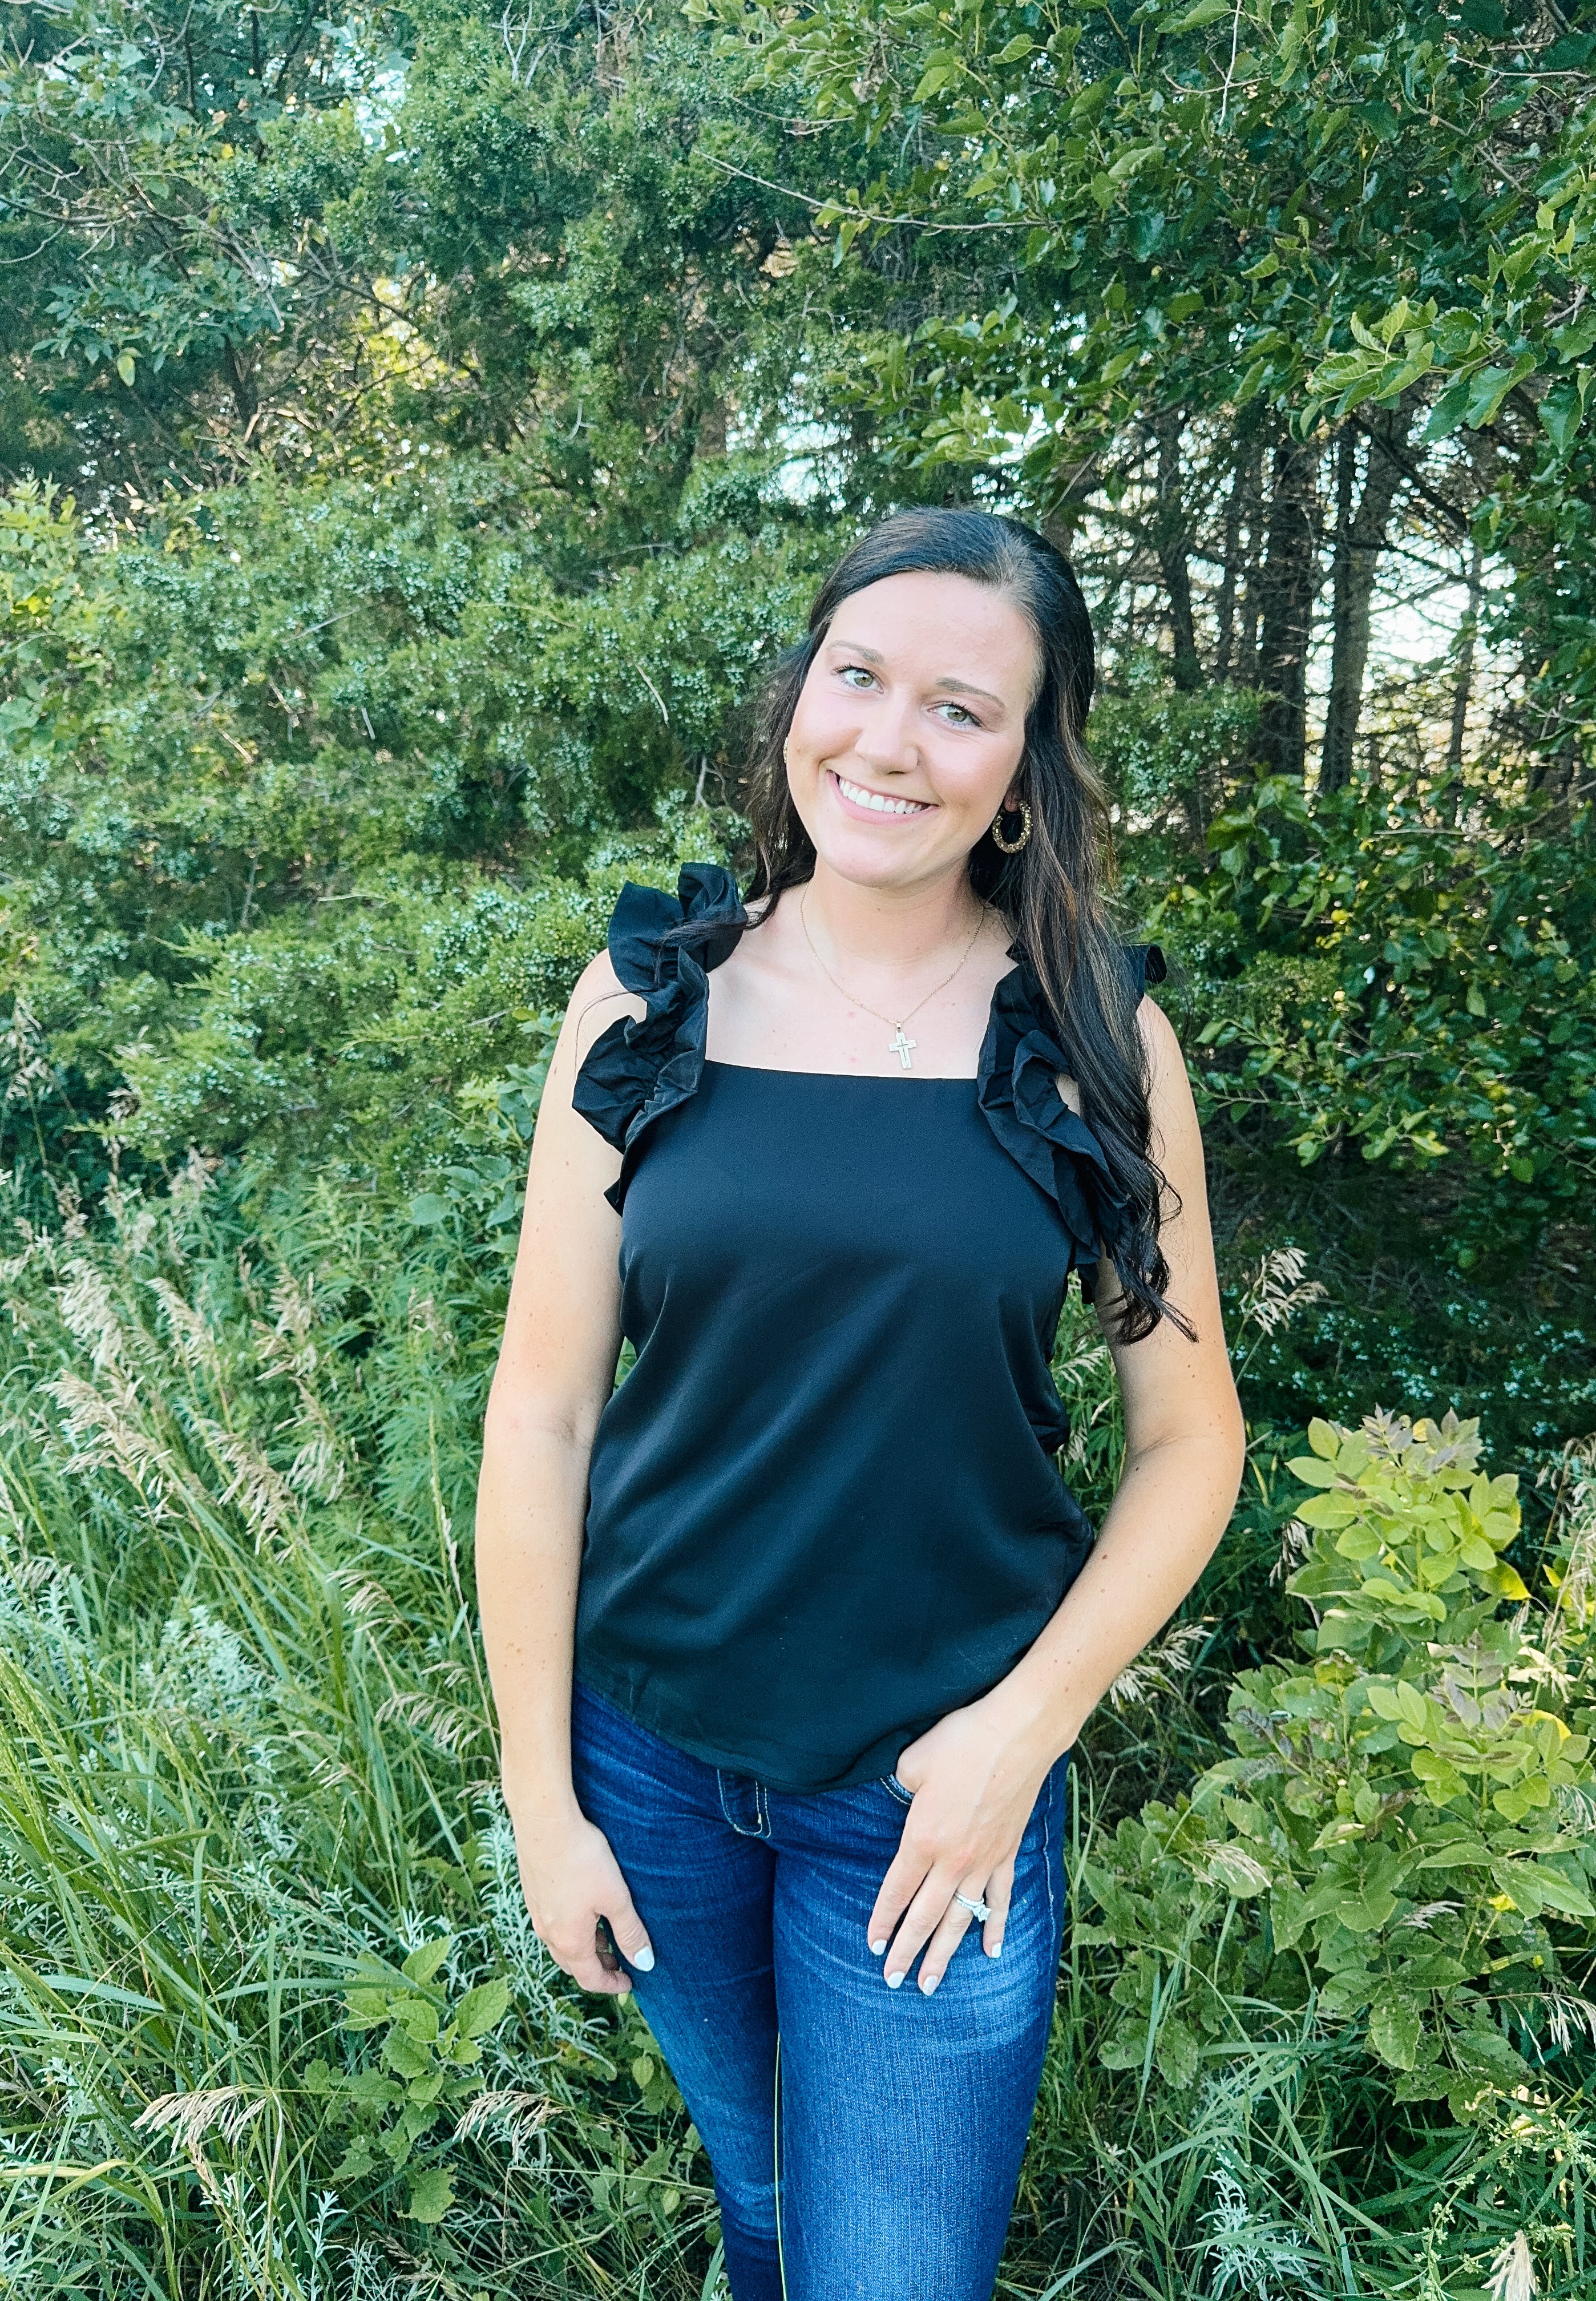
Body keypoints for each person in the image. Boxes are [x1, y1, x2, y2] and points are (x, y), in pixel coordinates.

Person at [474, 508, 1245, 2300]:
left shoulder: (1090, 1035)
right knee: (765, 2210)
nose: (891, 743)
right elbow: (543, 1418)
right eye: (859, 679)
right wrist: (543, 1797)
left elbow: (1191, 1441)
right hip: (650, 1753)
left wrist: (1020, 1736)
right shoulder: (648, 998)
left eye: (961, 710)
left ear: (1025, 773)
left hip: (934, 1784)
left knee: (885, 2274)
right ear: (798, 701)